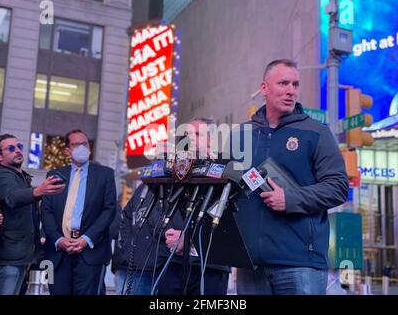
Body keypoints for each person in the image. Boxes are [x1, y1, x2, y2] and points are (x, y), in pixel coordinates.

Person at [234, 59, 349, 295]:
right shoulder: (241, 135)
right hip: (250, 264)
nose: (291, 90)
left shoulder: (316, 133)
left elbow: (338, 187)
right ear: (264, 88)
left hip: (299, 263)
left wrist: (291, 199)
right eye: (283, 83)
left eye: (295, 84)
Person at [157, 118, 231, 295]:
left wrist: (189, 239)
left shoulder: (226, 166)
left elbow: (229, 215)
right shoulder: (176, 168)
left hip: (210, 263)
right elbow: (163, 205)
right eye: (187, 134)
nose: (190, 139)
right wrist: (174, 234)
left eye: (197, 134)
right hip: (173, 260)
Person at [41, 129, 116, 295]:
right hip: (58, 254)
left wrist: (86, 239)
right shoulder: (54, 175)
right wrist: (59, 240)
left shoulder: (105, 175)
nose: (82, 148)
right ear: (67, 150)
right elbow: (46, 212)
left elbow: (109, 210)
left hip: (90, 253)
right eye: (76, 144)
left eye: (85, 144)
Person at [0, 134, 65, 295]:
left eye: (19, 147)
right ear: (0, 157)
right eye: (11, 148)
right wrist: (38, 190)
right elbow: (12, 197)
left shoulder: (20, 176)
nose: (17, 151)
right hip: (9, 256)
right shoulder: (4, 175)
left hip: (19, 255)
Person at [110, 183, 169, 295]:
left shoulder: (171, 188)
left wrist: (160, 255)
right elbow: (125, 219)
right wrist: (127, 249)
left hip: (156, 267)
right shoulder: (143, 188)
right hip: (127, 264)